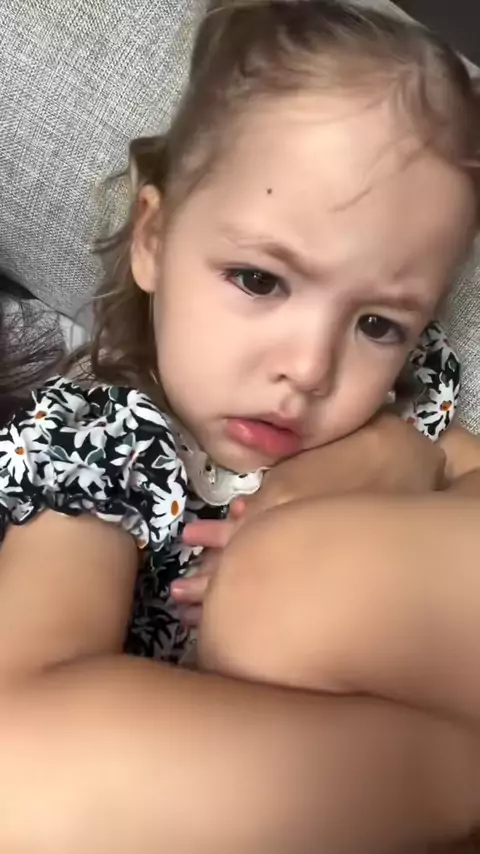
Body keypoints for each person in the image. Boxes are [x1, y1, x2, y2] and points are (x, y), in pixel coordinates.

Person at [1, 1, 480, 851]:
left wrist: (405, 455)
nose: (311, 367)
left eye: (378, 324)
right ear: (154, 239)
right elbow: (21, 735)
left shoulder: (392, 405)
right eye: (260, 280)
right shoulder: (100, 438)